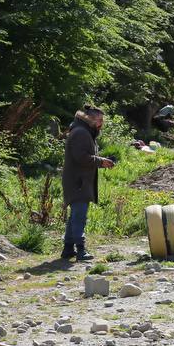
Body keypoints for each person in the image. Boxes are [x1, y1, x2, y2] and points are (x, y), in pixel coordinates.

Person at [61, 105, 115, 261]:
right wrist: (101, 161)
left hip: (78, 180)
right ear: (89, 118)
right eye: (99, 120)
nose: (101, 124)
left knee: (74, 217)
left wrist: (101, 160)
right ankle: (81, 250)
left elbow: (84, 156)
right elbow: (81, 157)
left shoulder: (82, 131)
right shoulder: (81, 133)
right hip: (78, 181)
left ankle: (68, 249)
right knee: (79, 217)